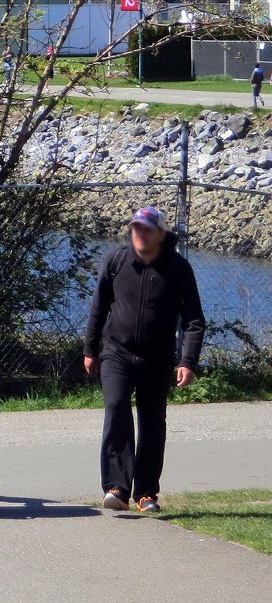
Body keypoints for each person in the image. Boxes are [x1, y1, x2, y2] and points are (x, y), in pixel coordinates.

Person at [83, 206, 205, 515]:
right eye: (136, 228)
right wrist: (90, 349)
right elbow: (99, 307)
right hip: (116, 352)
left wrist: (187, 361)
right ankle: (116, 488)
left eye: (147, 229)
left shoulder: (178, 268)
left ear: (160, 234)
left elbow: (194, 320)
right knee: (116, 407)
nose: (139, 233)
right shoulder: (117, 260)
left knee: (152, 423)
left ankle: (146, 492)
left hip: (157, 358)